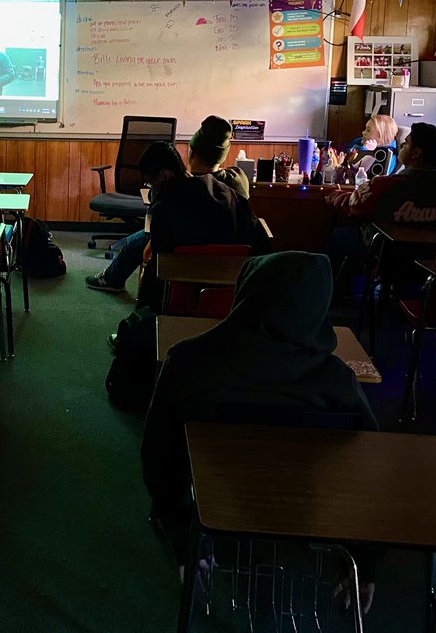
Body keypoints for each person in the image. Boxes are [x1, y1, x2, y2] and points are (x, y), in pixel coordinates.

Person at [141, 252, 378, 568]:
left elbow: (158, 453)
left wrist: (179, 527)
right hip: (305, 507)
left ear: (247, 292)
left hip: (213, 500)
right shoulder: (338, 382)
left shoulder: (187, 363)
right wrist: (364, 559)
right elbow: (368, 467)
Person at [86, 116, 250, 294]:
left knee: (137, 241)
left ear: (191, 152)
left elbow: (160, 237)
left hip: (184, 259)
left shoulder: (174, 195)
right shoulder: (236, 180)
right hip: (234, 263)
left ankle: (112, 279)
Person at [134, 142, 270, 310]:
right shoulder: (227, 193)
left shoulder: (165, 210)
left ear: (164, 176)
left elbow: (161, 265)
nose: (152, 188)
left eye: (150, 183)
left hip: (183, 297)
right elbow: (259, 241)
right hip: (236, 295)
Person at [328, 122, 436, 226]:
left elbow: (353, 206)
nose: (401, 145)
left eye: (406, 143)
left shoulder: (382, 186)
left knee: (341, 236)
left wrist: (333, 194)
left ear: (417, 153)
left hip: (388, 255)